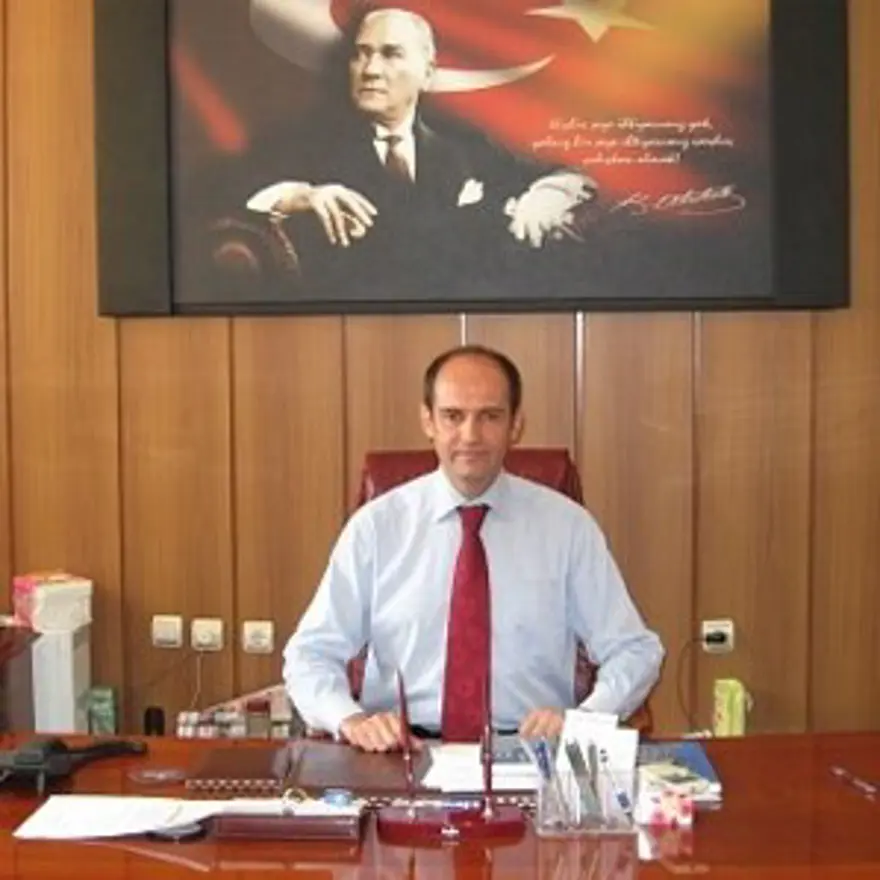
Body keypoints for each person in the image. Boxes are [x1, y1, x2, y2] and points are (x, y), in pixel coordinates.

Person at [283, 344, 664, 752]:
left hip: (530, 752)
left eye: (490, 416)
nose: (470, 436)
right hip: (402, 753)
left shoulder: (567, 528)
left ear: (516, 425)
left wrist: (583, 719)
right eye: (453, 416)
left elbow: (635, 650)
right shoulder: (376, 528)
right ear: (428, 421)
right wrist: (351, 720)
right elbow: (309, 654)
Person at [244, 7, 596, 298]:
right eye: (361, 54)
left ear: (427, 74)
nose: (370, 70)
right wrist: (301, 196)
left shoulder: (463, 142)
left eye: (391, 54)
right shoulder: (308, 142)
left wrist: (546, 196)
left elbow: (567, 176)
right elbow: (235, 197)